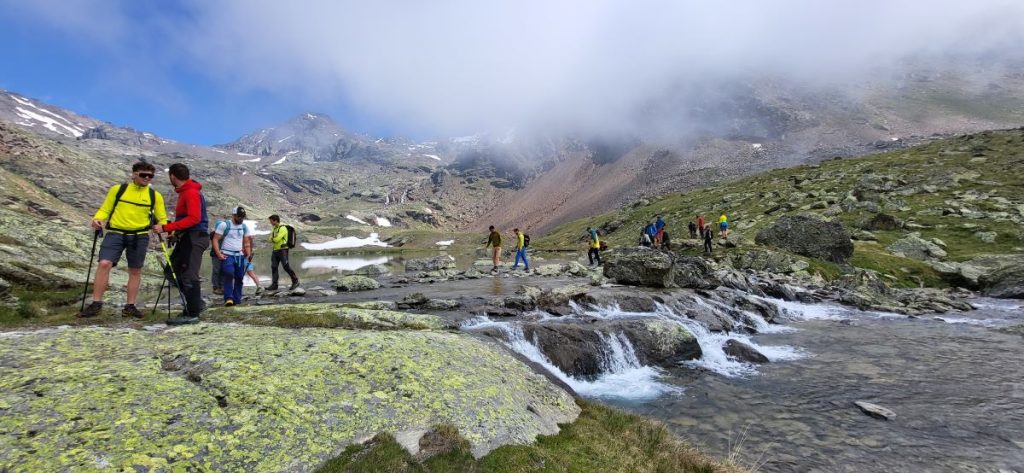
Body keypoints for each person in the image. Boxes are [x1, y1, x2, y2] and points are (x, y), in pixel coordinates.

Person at [78, 161, 168, 318]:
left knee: (135, 270)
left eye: (150, 176)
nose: (147, 178)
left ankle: (130, 306)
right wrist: (97, 219)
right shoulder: (118, 190)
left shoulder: (155, 196)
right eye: (143, 175)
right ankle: (96, 304)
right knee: (104, 264)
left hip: (139, 236)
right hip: (115, 233)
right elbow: (105, 208)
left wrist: (162, 226)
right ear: (133, 174)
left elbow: (162, 218)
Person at [152, 163, 209, 325]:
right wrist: (176, 234)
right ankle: (196, 303)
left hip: (194, 238)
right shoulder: (187, 192)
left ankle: (193, 313)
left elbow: (194, 219)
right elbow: (188, 219)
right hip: (187, 237)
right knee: (171, 272)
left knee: (189, 274)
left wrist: (165, 227)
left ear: (172, 176)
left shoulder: (190, 192)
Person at [212, 206, 251, 306]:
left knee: (239, 277)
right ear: (233, 215)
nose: (241, 219)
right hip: (227, 254)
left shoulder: (244, 227)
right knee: (229, 273)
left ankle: (237, 299)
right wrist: (218, 253)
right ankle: (228, 298)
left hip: (240, 256)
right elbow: (215, 239)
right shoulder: (224, 225)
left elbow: (246, 242)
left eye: (243, 217)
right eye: (239, 217)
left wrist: (249, 254)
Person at [268, 214, 300, 291]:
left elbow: (277, 239)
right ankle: (274, 285)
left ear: (275, 220)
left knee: (286, 266)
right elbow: (269, 239)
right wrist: (273, 239)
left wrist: (273, 239)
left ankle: (295, 281)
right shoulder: (274, 229)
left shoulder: (283, 228)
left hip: (283, 251)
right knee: (274, 267)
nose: (270, 223)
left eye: (271, 221)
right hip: (275, 250)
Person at [209, 215, 226, 295]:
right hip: (215, 254)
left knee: (222, 270)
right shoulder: (213, 234)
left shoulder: (225, 234)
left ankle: (222, 286)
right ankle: (215, 287)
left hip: (223, 254)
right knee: (216, 270)